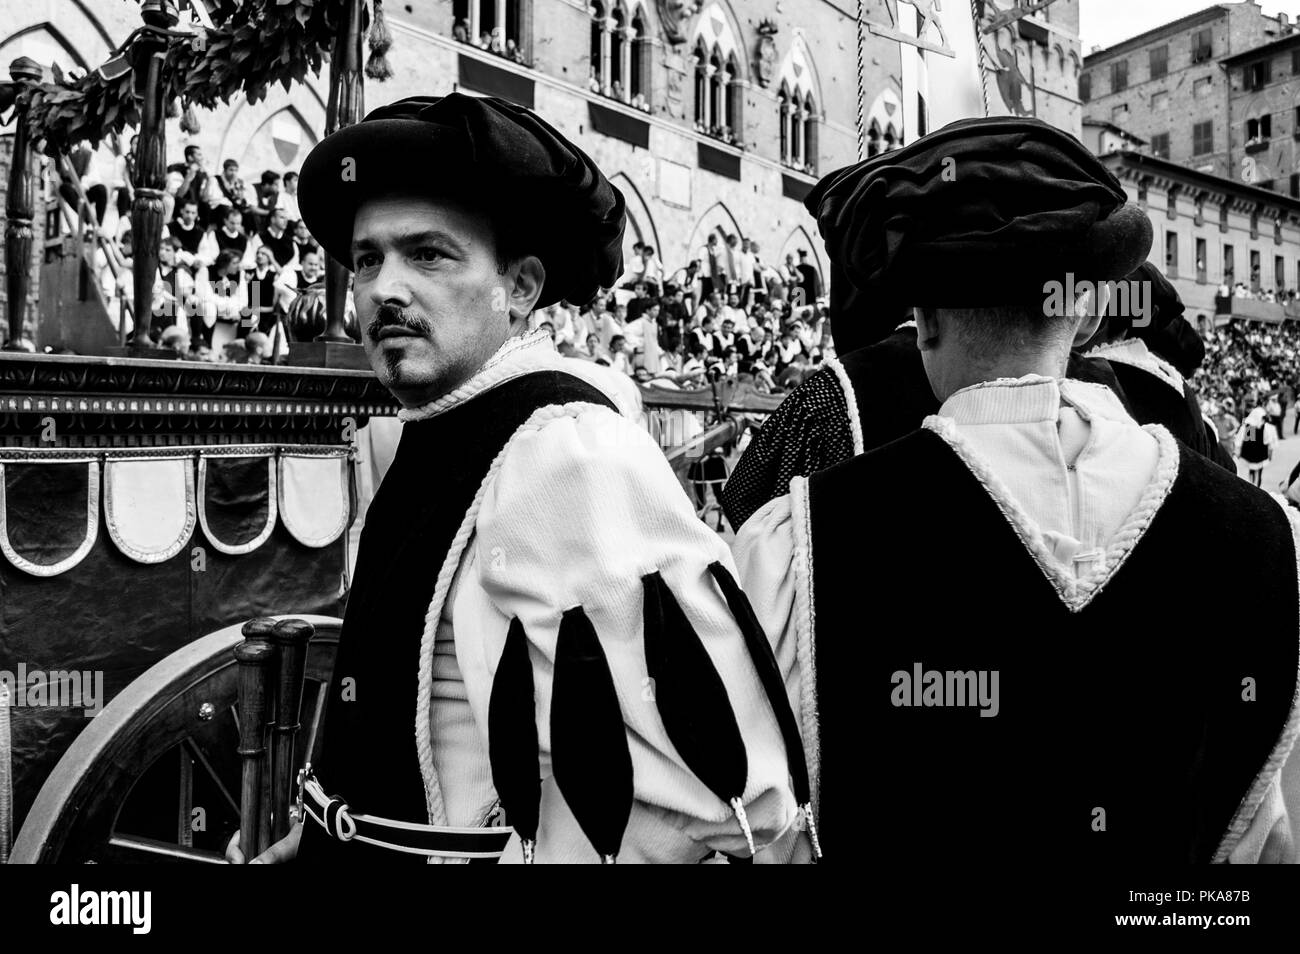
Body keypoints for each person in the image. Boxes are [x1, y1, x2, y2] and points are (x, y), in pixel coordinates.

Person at [230, 93, 802, 866]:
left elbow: (709, 797)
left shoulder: (566, 452)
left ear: (522, 287)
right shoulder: (429, 431)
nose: (383, 289)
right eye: (368, 259)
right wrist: (329, 826)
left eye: (428, 254)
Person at [735, 115, 1300, 865]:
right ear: (1091, 310)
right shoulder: (1260, 537)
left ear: (924, 318)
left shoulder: (802, 547)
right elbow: (1263, 850)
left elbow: (755, 829)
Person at [1237, 404, 1277, 487]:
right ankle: (1254, 484)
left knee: (1257, 472)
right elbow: (1248, 442)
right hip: (1254, 455)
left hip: (1258, 455)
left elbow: (1267, 442)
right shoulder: (1251, 427)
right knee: (1254, 471)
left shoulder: (1258, 427)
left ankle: (1256, 484)